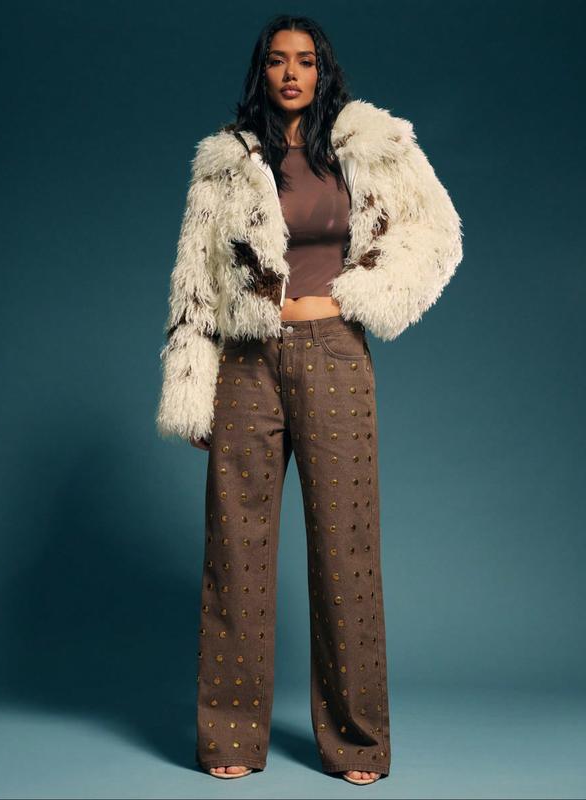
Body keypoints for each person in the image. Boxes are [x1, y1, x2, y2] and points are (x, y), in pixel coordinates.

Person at [156, 13, 463, 786]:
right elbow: (195, 280)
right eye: (277, 60)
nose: (291, 73)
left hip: (334, 355)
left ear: (323, 71)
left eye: (305, 61)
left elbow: (437, 232)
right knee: (236, 551)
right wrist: (192, 388)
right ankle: (229, 738)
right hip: (245, 361)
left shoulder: (366, 148)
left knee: (346, 551)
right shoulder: (227, 163)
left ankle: (357, 742)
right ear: (261, 71)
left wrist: (367, 296)